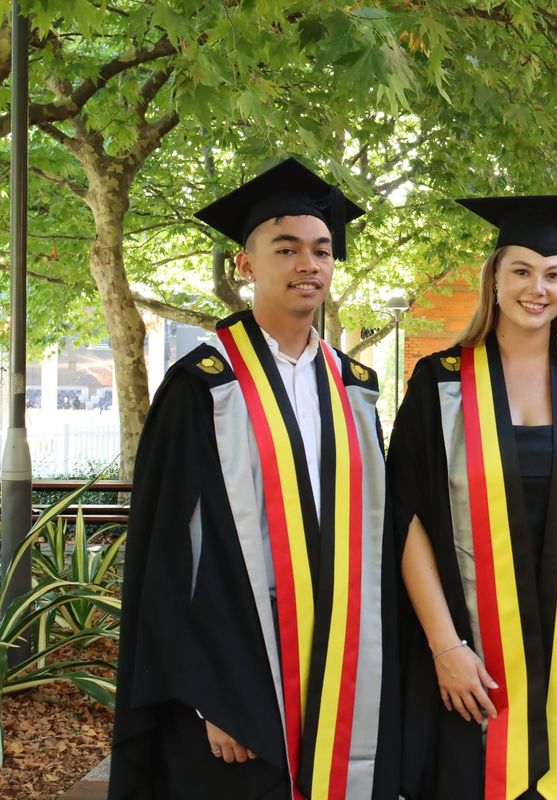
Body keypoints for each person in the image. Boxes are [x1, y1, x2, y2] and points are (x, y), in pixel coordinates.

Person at [110, 157, 401, 799]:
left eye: (321, 250)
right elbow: (166, 553)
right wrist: (208, 693)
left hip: (344, 648)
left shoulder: (356, 389)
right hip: (242, 651)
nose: (308, 264)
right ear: (246, 265)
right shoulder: (203, 387)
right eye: (286, 248)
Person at [388, 195, 557, 799]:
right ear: (494, 278)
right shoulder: (440, 384)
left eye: (553, 274)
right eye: (522, 271)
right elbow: (406, 520)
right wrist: (444, 646)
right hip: (471, 656)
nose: (537, 288)